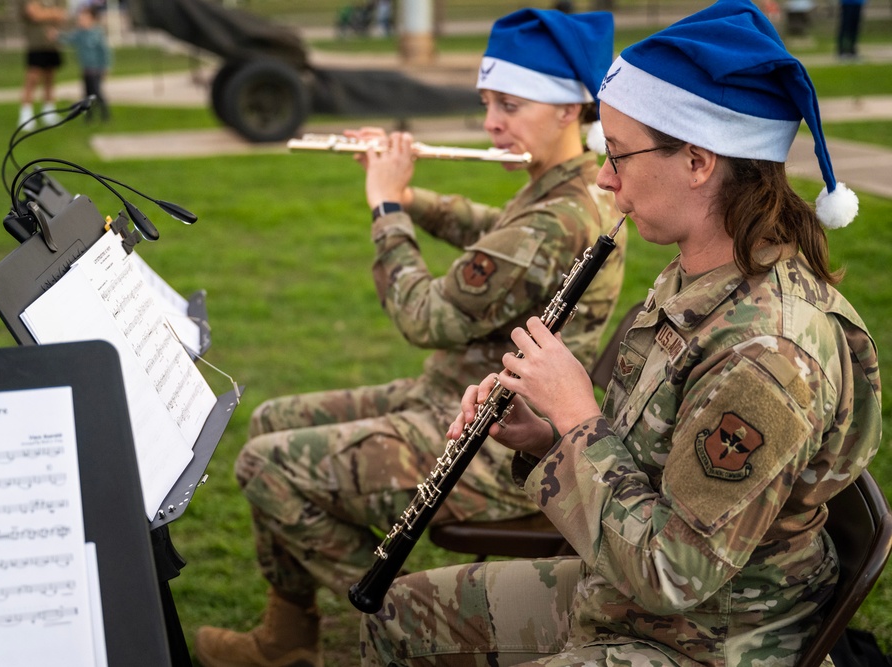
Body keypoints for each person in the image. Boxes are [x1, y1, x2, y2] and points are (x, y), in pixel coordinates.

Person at [360, 0, 881, 664]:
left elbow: (675, 572)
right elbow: (650, 460)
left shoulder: (769, 355)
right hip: (622, 591)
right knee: (394, 616)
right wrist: (547, 434)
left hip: (704, 638)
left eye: (618, 154)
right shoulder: (697, 271)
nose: (603, 176)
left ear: (697, 161)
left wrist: (577, 416)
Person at [193, 9, 625, 667]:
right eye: (486, 103)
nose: (491, 124)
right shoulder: (559, 190)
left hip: (490, 444)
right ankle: (288, 639)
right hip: (451, 400)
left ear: (569, 108)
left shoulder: (560, 217)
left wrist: (386, 206)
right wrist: (412, 190)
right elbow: (490, 229)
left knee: (263, 465)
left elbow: (424, 317)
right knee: (270, 420)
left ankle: (407, 612)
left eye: (510, 103)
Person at [17, 0, 67, 130]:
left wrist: (45, 13)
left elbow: (62, 14)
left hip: (52, 44)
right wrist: (52, 13)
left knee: (50, 79)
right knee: (32, 80)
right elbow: (34, 14)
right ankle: (26, 115)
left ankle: (49, 113)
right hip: (36, 45)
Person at [59, 4, 112, 122]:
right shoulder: (80, 34)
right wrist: (57, 36)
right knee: (86, 94)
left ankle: (105, 114)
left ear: (92, 19)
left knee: (97, 93)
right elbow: (68, 39)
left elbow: (105, 52)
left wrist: (106, 67)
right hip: (86, 69)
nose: (81, 20)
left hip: (96, 69)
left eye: (84, 17)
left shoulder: (97, 33)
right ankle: (89, 116)